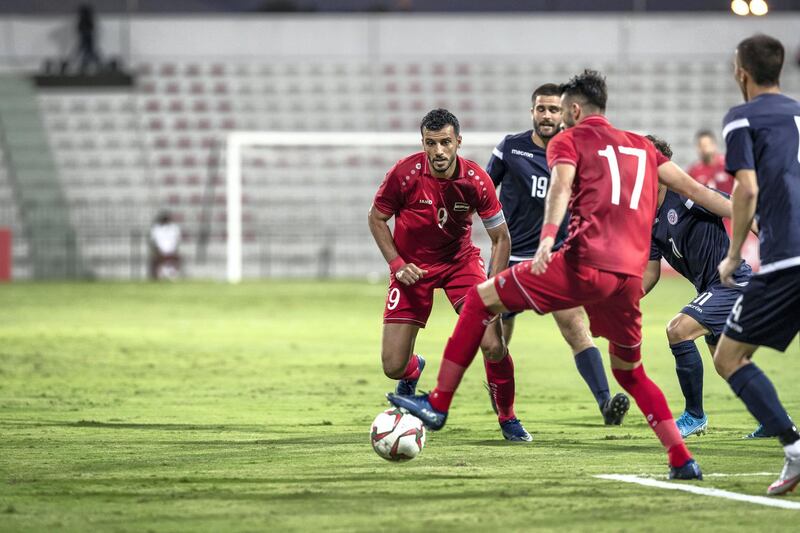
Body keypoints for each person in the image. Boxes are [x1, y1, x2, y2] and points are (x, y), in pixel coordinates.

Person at [390, 70, 734, 479]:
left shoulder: (569, 140)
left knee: (481, 300)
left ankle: (438, 403)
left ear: (574, 109)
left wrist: (547, 238)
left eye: (563, 110)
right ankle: (682, 460)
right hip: (627, 276)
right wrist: (757, 217)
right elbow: (705, 195)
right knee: (631, 371)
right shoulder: (643, 146)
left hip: (581, 263)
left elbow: (559, 188)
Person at [368, 108, 533, 442]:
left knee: (493, 345)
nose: (438, 151)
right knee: (392, 367)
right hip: (412, 270)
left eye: (445, 142)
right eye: (431, 143)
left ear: (458, 141)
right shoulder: (404, 174)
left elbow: (501, 238)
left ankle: (508, 418)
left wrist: (494, 286)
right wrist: (397, 265)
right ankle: (414, 370)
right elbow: (376, 218)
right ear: (423, 143)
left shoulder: (475, 181)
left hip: (460, 264)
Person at [486, 83, 629, 425]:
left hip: (554, 260)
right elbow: (483, 190)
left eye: (553, 109)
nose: (547, 116)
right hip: (511, 258)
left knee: (575, 328)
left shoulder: (577, 150)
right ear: (532, 112)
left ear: (565, 112)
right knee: (495, 341)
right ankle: (504, 406)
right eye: (541, 109)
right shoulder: (510, 148)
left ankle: (606, 403)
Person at [714, 34, 800, 496]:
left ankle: (794, 449)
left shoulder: (741, 117)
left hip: (788, 257)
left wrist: (732, 255)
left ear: (741, 72)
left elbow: (746, 190)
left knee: (729, 356)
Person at [642, 135, 755, 438]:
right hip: (709, 289)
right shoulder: (649, 217)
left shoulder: (689, 195)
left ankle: (694, 416)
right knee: (727, 364)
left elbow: (736, 208)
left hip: (731, 284)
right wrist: (625, 299)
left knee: (677, 330)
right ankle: (775, 419)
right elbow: (650, 274)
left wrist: (768, 240)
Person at [687, 130, 733, 195]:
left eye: (706, 145)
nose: (704, 149)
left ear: (714, 145)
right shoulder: (693, 170)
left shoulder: (728, 164)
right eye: (700, 145)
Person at [149, 211, 182, 280]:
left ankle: (173, 274)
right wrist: (158, 252)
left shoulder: (174, 228)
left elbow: (176, 241)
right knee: (155, 259)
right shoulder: (156, 228)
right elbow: (153, 242)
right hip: (159, 252)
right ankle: (157, 277)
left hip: (171, 251)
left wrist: (172, 251)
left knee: (177, 258)